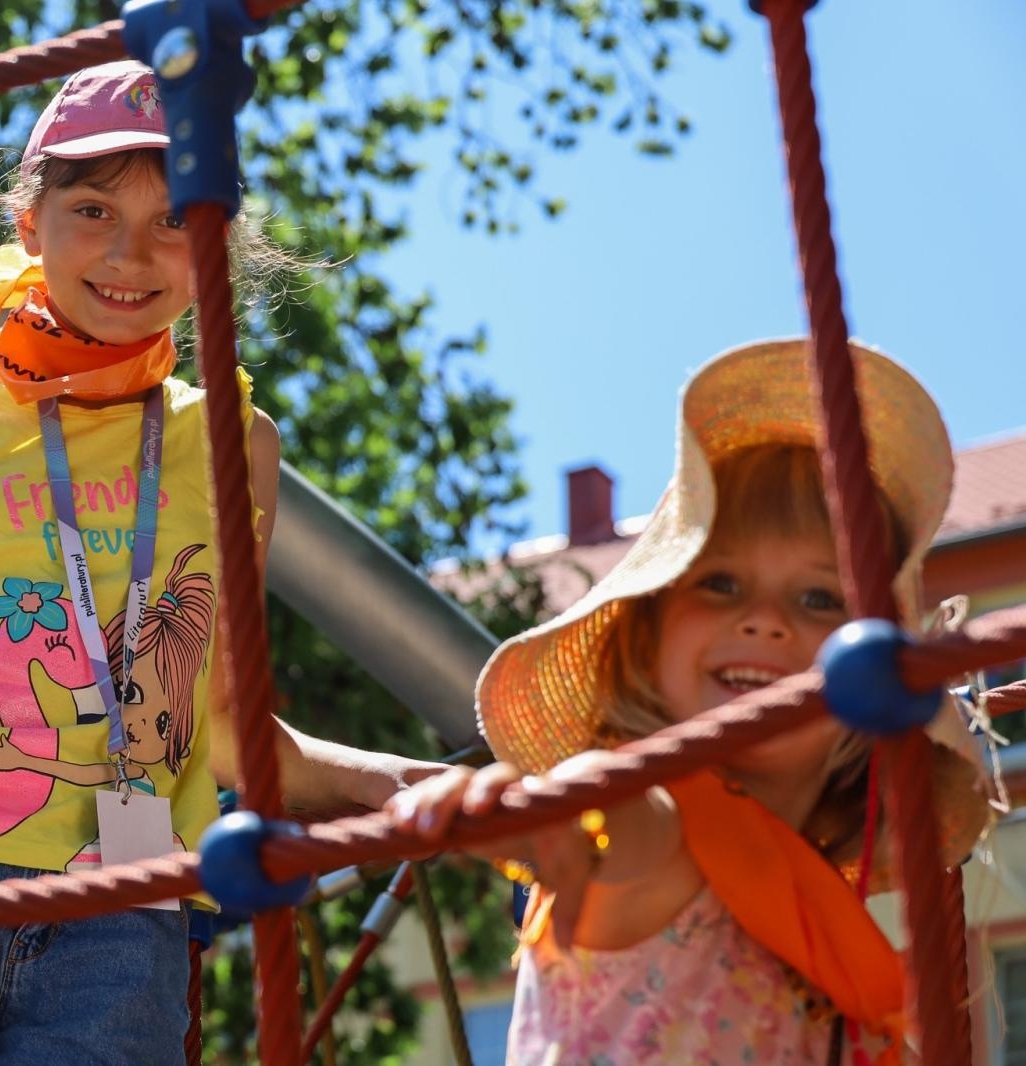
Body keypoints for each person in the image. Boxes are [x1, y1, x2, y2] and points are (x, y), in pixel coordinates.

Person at [0, 61, 440, 1064]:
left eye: (173, 221)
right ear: (29, 224)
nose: (131, 253)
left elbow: (216, 718)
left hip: (124, 909)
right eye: (93, 209)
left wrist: (397, 781)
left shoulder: (234, 443)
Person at [391, 339, 993, 1064]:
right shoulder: (661, 845)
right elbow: (618, 807)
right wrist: (557, 809)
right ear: (644, 646)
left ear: (870, 698)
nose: (765, 620)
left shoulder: (825, 936)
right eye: (720, 584)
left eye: (818, 598)